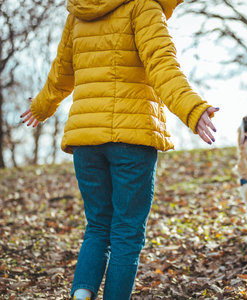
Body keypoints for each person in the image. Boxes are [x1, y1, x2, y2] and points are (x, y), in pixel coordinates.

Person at [20, 0, 219, 299]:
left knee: (98, 226)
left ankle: (81, 295)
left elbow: (62, 72)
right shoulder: (143, 7)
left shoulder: (79, 13)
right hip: (132, 138)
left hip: (86, 140)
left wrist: (41, 106)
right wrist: (192, 108)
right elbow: (162, 65)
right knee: (127, 232)